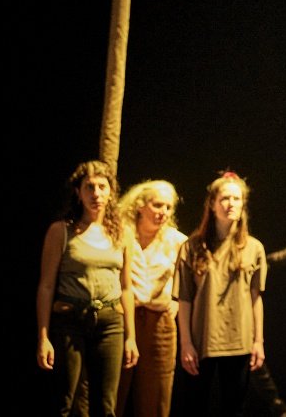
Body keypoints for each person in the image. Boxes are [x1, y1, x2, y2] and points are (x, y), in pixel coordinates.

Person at [36, 159, 140, 416]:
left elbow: (126, 287)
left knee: (107, 404)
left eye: (102, 187)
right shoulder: (62, 231)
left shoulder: (122, 233)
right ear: (78, 193)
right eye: (89, 187)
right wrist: (43, 337)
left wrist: (131, 337)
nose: (96, 194)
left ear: (111, 192)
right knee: (67, 401)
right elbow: (47, 286)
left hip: (110, 322)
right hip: (71, 321)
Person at [173, 170, 267, 417]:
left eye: (236, 199)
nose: (231, 204)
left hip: (239, 341)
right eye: (225, 198)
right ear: (212, 204)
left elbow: (256, 298)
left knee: (234, 408)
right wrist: (185, 344)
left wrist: (258, 341)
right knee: (195, 406)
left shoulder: (254, 248)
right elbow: (184, 299)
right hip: (202, 340)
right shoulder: (192, 247)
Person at [115, 179, 188, 417]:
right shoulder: (120, 234)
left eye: (168, 207)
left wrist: (175, 302)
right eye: (158, 205)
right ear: (140, 205)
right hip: (124, 316)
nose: (163, 212)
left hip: (159, 322)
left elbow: (189, 280)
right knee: (114, 388)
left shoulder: (177, 241)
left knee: (156, 394)